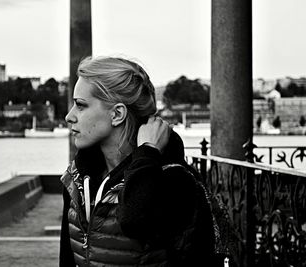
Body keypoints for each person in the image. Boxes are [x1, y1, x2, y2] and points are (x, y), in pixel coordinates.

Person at [59, 56, 215, 266]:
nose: (69, 116)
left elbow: (135, 220)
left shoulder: (173, 179)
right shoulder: (77, 177)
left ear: (117, 114)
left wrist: (147, 153)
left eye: (80, 105)